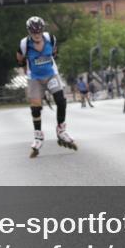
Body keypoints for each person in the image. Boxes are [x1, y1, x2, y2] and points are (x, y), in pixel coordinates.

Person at [16, 16, 77, 157]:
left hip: (50, 74)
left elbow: (54, 53)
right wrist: (26, 68)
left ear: (42, 30)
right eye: (33, 32)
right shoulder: (24, 44)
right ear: (29, 32)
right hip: (34, 78)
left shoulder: (50, 38)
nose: (37, 35)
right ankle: (38, 136)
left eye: (39, 32)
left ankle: (61, 130)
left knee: (61, 100)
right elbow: (19, 59)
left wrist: (45, 63)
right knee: (35, 107)